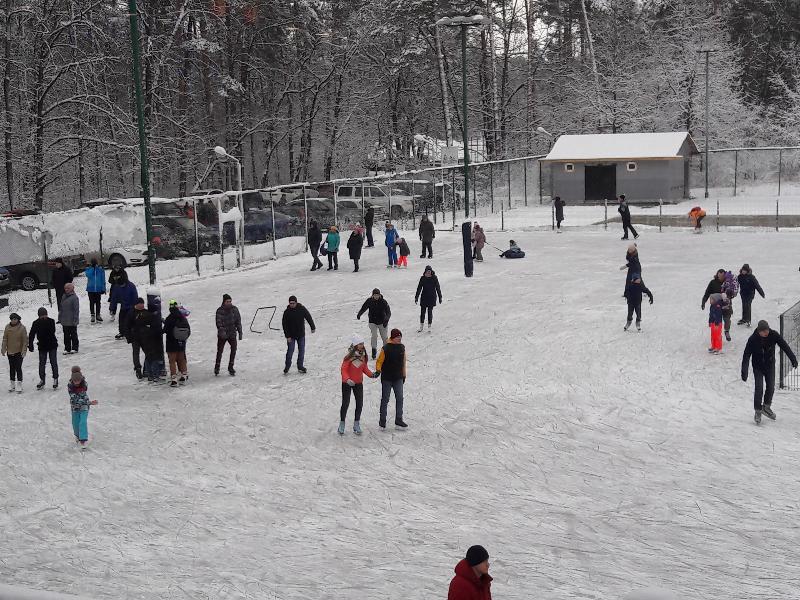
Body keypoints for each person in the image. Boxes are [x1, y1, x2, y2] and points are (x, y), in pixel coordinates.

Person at [742, 320, 798, 424]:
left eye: (766, 330)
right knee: (759, 388)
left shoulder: (773, 335)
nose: (765, 333)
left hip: (769, 365)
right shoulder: (752, 339)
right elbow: (746, 355)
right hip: (758, 366)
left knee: (771, 387)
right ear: (759, 331)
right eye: (763, 331)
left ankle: (766, 407)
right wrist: (744, 371)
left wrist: (793, 359)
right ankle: (758, 410)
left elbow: (784, 346)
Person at [338, 334, 379, 435]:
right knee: (345, 403)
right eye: (360, 343)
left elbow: (364, 368)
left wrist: (372, 375)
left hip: (358, 383)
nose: (362, 345)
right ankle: (342, 423)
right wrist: (347, 379)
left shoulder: (362, 355)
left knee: (359, 403)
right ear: (355, 345)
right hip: (347, 383)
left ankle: (356, 424)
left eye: (363, 343)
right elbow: (343, 369)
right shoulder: (349, 357)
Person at [375, 328, 407, 428]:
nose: (399, 338)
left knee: (400, 398)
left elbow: (403, 363)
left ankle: (398, 419)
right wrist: (378, 370)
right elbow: (379, 361)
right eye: (397, 337)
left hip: (398, 377)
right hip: (387, 378)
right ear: (393, 338)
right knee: (385, 399)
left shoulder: (402, 348)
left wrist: (404, 375)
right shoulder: (386, 348)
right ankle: (382, 420)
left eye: (400, 336)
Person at [282, 295, 315, 374]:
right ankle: (287, 366)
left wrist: (312, 327)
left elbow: (308, 317)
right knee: (290, 351)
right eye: (290, 303)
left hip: (300, 335)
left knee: (302, 351)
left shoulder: (302, 309)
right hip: (291, 336)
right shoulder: (287, 312)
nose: (292, 305)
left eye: (293, 303)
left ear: (296, 302)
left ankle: (300, 366)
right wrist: (287, 336)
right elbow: (284, 325)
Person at [29, 307, 59, 390]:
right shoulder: (35, 323)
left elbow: (51, 331)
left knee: (53, 362)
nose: (44, 317)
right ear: (39, 316)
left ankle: (55, 378)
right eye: (42, 316)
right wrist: (30, 345)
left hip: (52, 345)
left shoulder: (51, 321)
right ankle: (42, 380)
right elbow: (32, 334)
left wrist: (43, 323)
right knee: (42, 363)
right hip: (42, 346)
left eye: (45, 315)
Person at [67, 365, 97, 450]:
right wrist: (89, 402)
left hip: (84, 407)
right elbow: (73, 398)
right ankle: (77, 435)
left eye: (78, 381)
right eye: (75, 381)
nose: (77, 383)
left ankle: (83, 440)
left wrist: (89, 403)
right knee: (75, 423)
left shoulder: (84, 385)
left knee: (82, 422)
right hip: (75, 407)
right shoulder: (70, 386)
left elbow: (83, 397)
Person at [357, 288, 391, 359]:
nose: (376, 296)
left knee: (384, 337)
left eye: (377, 295)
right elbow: (364, 308)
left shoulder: (383, 302)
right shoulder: (369, 301)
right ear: (372, 295)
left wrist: (386, 320)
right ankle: (374, 350)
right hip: (372, 322)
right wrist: (359, 314)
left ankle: (386, 351)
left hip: (382, 322)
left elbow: (388, 312)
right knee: (374, 336)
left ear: (379, 295)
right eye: (375, 295)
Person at [163, 299, 190, 387]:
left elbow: (165, 330)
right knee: (181, 359)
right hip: (181, 342)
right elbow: (188, 330)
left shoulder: (169, 318)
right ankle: (184, 375)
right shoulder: (182, 317)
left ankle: (174, 379)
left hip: (171, 343)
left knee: (172, 361)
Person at [215, 294, 242, 376]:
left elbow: (238, 321)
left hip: (232, 333)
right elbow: (218, 323)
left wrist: (240, 332)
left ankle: (231, 366)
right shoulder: (219, 310)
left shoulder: (234, 309)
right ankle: (217, 366)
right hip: (222, 335)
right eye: (227, 301)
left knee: (234, 349)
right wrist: (222, 333)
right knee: (220, 351)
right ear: (224, 302)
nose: (229, 303)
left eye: (230, 301)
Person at [701, 269, 733, 340]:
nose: (721, 277)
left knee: (727, 319)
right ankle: (717, 338)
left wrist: (730, 295)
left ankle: (727, 331)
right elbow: (707, 293)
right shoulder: (713, 282)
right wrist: (703, 302)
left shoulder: (728, 282)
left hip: (726, 304)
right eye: (719, 276)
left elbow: (733, 292)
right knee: (717, 323)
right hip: (716, 305)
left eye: (722, 276)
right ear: (717, 275)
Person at [2, 313, 27, 393]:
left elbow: (25, 341)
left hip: (19, 352)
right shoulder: (7, 327)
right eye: (12, 319)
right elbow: (5, 339)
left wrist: (24, 350)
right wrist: (3, 348)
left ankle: (19, 383)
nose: (13, 321)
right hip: (10, 351)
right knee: (12, 368)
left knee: (18, 367)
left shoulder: (22, 328)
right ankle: (12, 383)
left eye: (15, 319)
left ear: (18, 319)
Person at [414, 265, 442, 332]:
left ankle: (429, 326)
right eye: (427, 271)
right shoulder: (422, 278)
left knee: (430, 312)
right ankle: (421, 326)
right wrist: (416, 297)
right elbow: (419, 288)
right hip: (424, 297)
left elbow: (438, 288)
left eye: (429, 271)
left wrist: (440, 297)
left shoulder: (434, 278)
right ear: (425, 271)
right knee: (422, 312)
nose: (428, 273)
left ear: (431, 271)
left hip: (432, 298)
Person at [58, 282, 80, 354]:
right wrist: (60, 317)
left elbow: (76, 310)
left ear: (72, 289)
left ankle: (75, 347)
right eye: (65, 288)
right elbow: (61, 308)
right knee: (66, 335)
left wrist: (75, 319)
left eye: (68, 288)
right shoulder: (63, 296)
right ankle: (67, 348)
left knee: (73, 334)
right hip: (65, 320)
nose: (66, 289)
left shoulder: (74, 298)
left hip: (72, 320)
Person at [84, 258, 107, 324]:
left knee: (98, 302)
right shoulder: (88, 269)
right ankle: (92, 315)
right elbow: (88, 275)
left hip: (98, 289)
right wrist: (92, 268)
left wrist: (103, 288)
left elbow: (103, 279)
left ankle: (98, 314)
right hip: (90, 289)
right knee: (91, 302)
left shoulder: (100, 270)